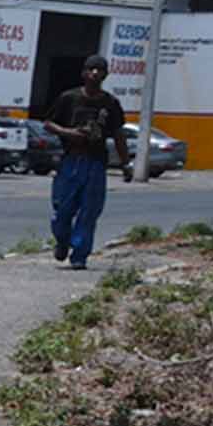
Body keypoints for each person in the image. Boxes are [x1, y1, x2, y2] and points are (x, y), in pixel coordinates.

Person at [47, 54, 131, 269]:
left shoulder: (110, 103)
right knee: (62, 209)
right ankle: (63, 241)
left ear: (106, 75)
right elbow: (49, 123)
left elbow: (118, 134)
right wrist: (69, 133)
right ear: (84, 73)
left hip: (95, 163)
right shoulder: (69, 98)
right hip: (70, 161)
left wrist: (125, 163)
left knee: (89, 210)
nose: (95, 73)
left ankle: (79, 256)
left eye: (100, 70)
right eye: (91, 69)